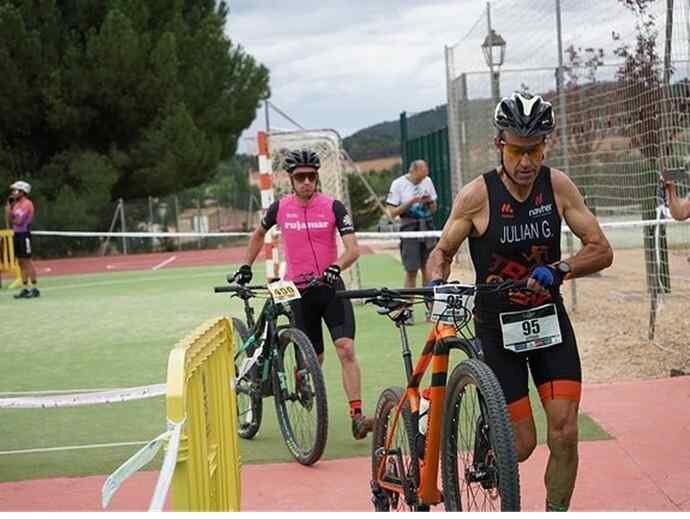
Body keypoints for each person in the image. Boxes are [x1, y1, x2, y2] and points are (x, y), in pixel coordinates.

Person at [426, 92, 613, 511]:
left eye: (534, 150)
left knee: (564, 432)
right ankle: (491, 445)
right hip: (497, 328)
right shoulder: (478, 195)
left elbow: (601, 249)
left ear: (546, 145)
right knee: (523, 444)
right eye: (516, 150)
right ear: (500, 144)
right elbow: (441, 252)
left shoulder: (558, 185)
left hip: (548, 320)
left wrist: (561, 270)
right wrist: (439, 283)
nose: (526, 161)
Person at [232, 149, 374, 440]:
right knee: (313, 358)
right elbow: (258, 235)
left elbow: (353, 249)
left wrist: (336, 266)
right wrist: (246, 266)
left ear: (317, 177)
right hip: (295, 287)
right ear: (291, 180)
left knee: (345, 348)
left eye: (311, 176)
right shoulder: (279, 208)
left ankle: (357, 416)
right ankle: (293, 373)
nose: (307, 182)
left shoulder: (334, 207)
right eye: (301, 177)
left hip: (330, 287)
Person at [386, 159, 438, 322]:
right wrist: (411, 202)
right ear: (414, 170)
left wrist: (429, 201)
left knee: (428, 269)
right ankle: (407, 311)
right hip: (409, 229)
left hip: (427, 228)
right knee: (411, 270)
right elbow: (392, 213)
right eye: (424, 170)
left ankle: (431, 310)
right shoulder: (398, 184)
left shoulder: (427, 182)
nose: (427, 174)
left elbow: (434, 208)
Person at [4, 181, 39, 299]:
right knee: (20, 262)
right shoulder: (15, 204)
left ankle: (34, 288)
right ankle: (25, 289)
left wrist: (11, 217)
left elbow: (19, 221)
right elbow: (8, 221)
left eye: (15, 190)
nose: (13, 192)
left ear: (22, 192)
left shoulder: (27, 204)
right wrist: (8, 206)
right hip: (17, 235)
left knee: (27, 261)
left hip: (24, 235)